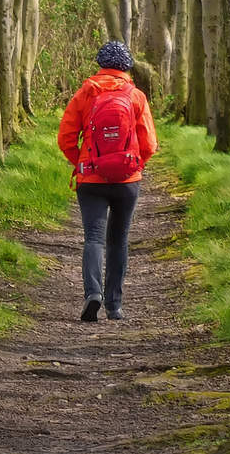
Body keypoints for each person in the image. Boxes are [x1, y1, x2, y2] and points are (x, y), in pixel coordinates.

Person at [57, 40, 159, 323]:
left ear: (101, 64)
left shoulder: (85, 93)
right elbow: (149, 144)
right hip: (128, 180)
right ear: (127, 67)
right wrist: (134, 165)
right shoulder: (136, 96)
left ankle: (93, 294)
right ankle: (115, 306)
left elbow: (65, 138)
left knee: (94, 237)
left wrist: (83, 162)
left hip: (91, 179)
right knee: (119, 239)